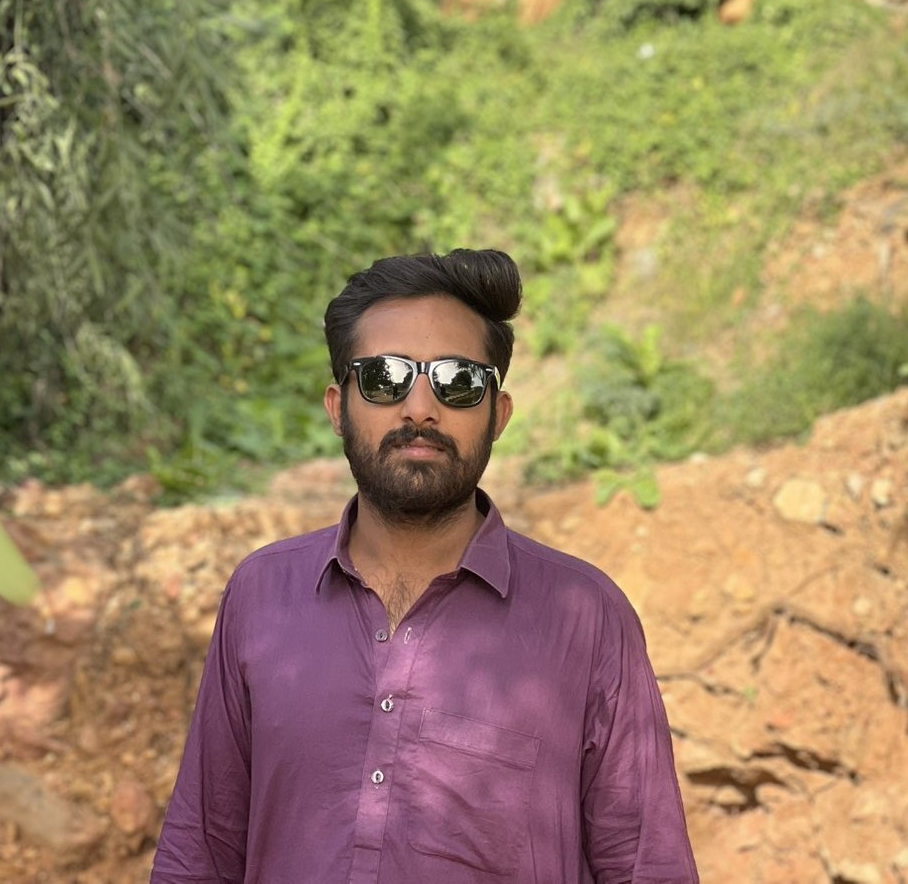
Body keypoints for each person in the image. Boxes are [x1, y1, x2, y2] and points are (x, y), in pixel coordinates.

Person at [150, 249, 699, 884]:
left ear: (498, 414)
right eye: (385, 378)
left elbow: (647, 867)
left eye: (457, 381)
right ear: (337, 406)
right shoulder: (262, 595)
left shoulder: (586, 619)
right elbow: (200, 853)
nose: (419, 409)